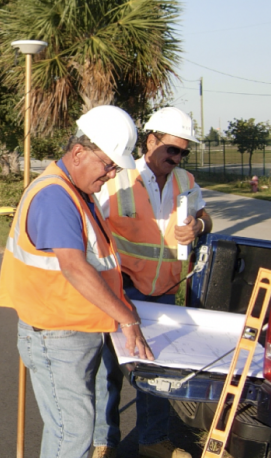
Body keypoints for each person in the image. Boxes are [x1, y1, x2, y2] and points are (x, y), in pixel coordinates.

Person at [0, 105, 154, 458]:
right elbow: (74, 267)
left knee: (68, 431)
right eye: (108, 165)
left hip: (72, 331)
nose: (112, 175)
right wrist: (127, 318)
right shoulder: (55, 195)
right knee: (74, 434)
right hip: (57, 336)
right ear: (79, 152)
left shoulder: (77, 192)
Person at [93, 107, 213, 458]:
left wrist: (199, 227)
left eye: (183, 152)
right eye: (171, 150)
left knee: (157, 374)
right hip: (121, 288)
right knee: (109, 369)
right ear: (150, 141)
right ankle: (104, 442)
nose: (177, 158)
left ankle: (153, 440)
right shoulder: (118, 177)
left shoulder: (186, 182)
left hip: (163, 292)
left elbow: (205, 216)